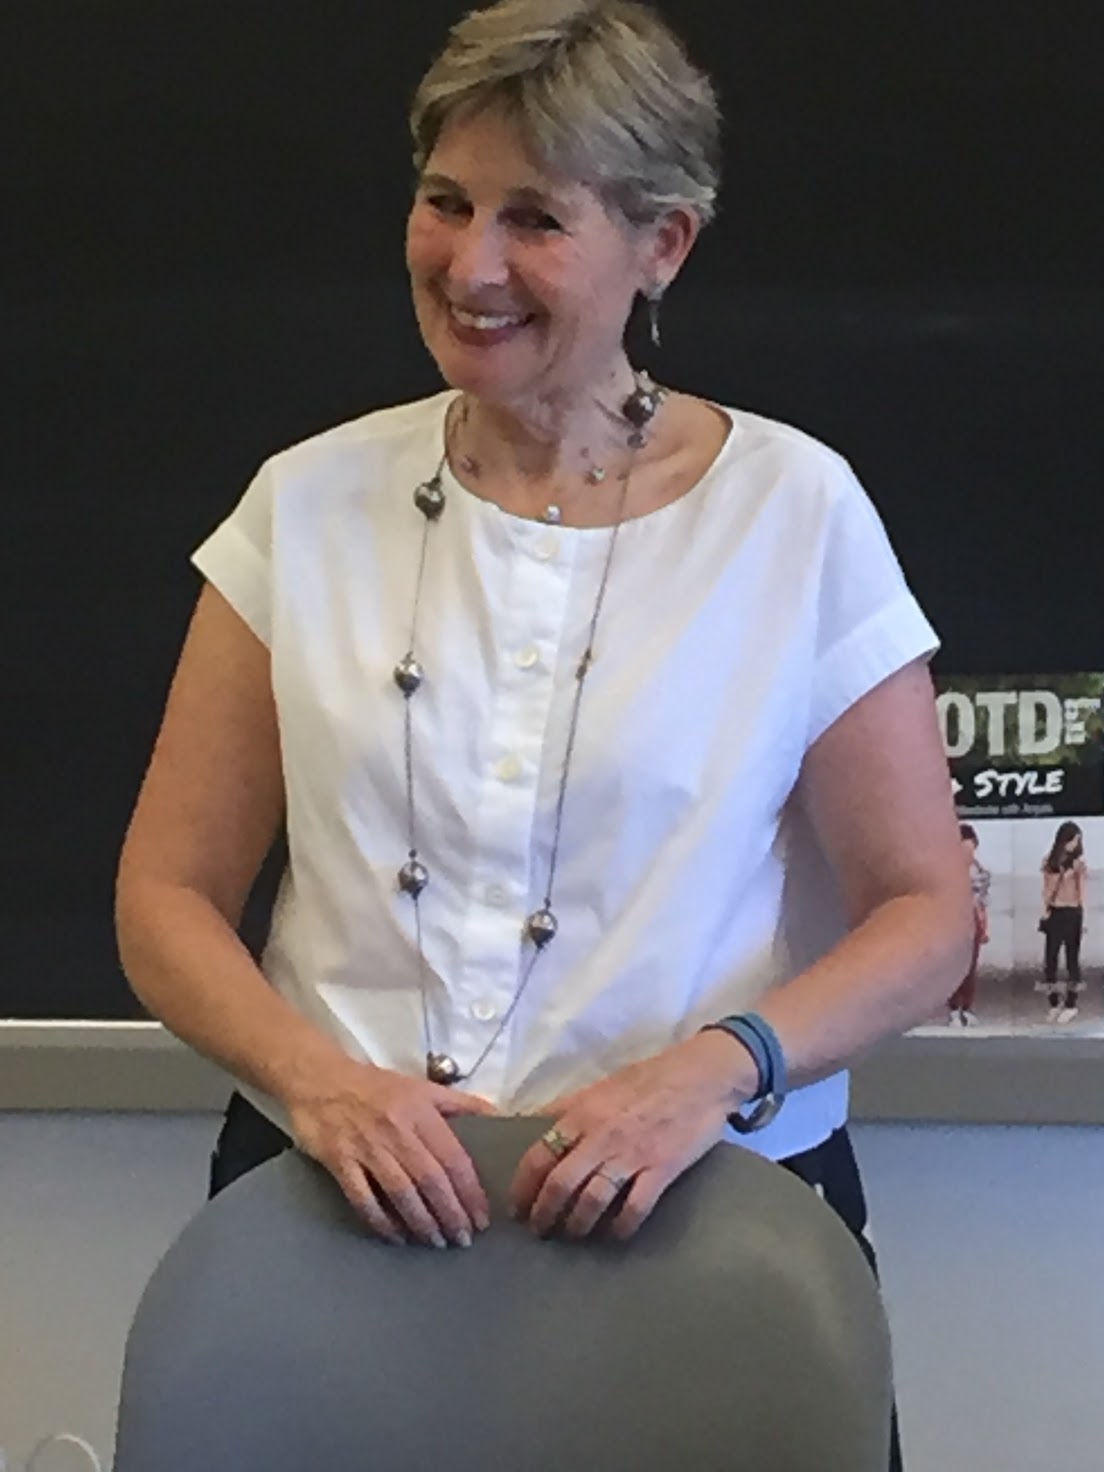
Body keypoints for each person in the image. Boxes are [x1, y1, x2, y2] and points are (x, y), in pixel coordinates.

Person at [115, 3, 972, 1466]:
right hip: (335, 1227)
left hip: (707, 1230)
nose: (472, 266)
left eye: (535, 219)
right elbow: (164, 895)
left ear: (663, 244)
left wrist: (715, 1069)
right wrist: (323, 1085)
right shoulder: (303, 504)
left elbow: (926, 910)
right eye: (445, 202)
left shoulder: (795, 511)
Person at [1040, 820, 1087, 1023]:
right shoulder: (1048, 862)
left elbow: (1081, 893)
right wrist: (1045, 910)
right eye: (1073, 840)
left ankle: (1071, 1003)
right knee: (1050, 961)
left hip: (1072, 912)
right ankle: (1053, 1002)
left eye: (1077, 840)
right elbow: (1046, 889)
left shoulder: (1079, 865)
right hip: (1055, 912)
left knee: (1072, 960)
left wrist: (1082, 917)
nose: (1075, 844)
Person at [947, 823, 990, 1026]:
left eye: (972, 848)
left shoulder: (980, 872)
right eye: (964, 849)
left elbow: (982, 903)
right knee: (954, 966)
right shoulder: (947, 872)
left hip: (973, 918)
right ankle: (954, 1008)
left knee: (971, 967)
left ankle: (967, 1006)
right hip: (953, 918)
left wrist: (984, 927)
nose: (969, 854)